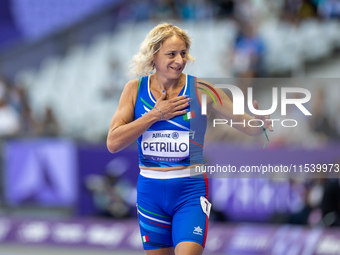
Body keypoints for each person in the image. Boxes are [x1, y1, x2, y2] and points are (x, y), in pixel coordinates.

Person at [107, 23, 273, 255]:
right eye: (171, 54)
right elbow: (113, 142)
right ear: (154, 55)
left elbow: (246, 125)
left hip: (189, 191)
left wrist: (258, 124)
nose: (179, 60)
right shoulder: (134, 89)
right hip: (150, 193)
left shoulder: (202, 90)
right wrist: (156, 115)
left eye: (183, 53)